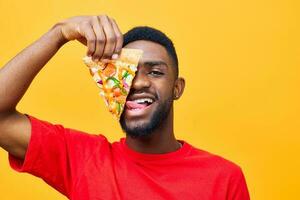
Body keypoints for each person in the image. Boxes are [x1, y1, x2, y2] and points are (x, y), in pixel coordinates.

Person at [0, 14, 250, 200]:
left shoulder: (224, 178)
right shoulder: (82, 159)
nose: (138, 82)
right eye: (125, 73)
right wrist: (59, 33)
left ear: (177, 88)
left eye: (155, 72)